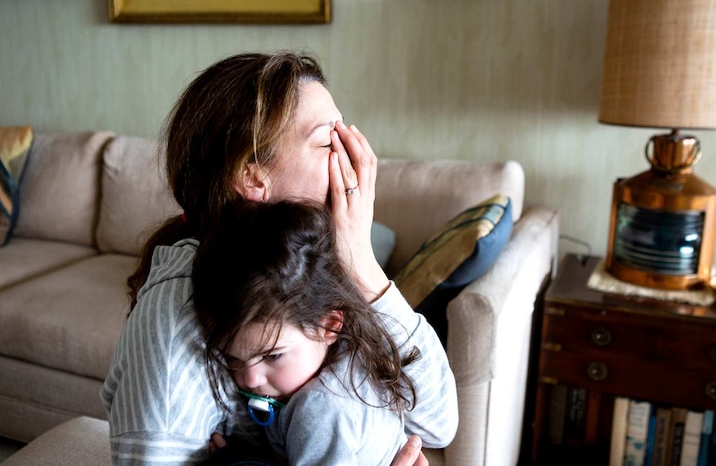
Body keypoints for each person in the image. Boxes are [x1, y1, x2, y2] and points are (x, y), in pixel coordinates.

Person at [100, 51, 458, 465]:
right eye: (328, 141)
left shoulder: (305, 262)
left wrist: (361, 263)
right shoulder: (184, 311)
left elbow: (437, 421)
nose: (355, 159)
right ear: (252, 177)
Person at [192, 201, 430, 465]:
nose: (249, 378)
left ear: (328, 326)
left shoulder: (319, 409)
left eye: (272, 356)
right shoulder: (350, 357)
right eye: (232, 358)